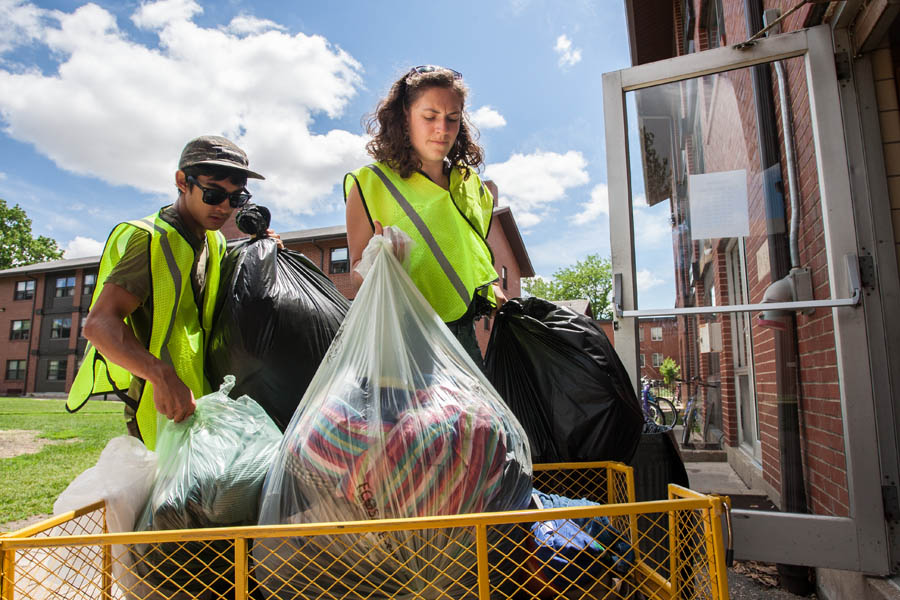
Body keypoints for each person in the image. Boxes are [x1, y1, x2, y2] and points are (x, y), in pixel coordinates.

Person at [67, 135, 276, 450]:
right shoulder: (151, 241)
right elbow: (99, 324)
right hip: (160, 408)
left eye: (235, 199)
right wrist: (160, 375)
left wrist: (264, 248)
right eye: (213, 193)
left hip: (200, 401)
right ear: (182, 182)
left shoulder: (213, 242)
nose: (223, 207)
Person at [344, 65, 506, 365]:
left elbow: (471, 256)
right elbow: (356, 274)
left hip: (463, 339)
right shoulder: (370, 184)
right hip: (401, 340)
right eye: (429, 117)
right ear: (405, 117)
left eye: (452, 118)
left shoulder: (472, 186)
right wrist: (375, 263)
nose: (442, 129)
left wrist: (494, 291)